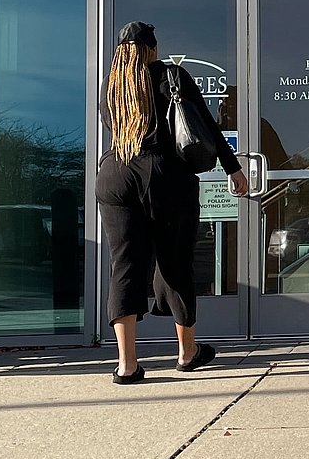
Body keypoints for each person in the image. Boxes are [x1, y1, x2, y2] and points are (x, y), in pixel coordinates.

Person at [98, 21, 248, 384]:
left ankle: (127, 365)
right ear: (151, 47)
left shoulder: (111, 86)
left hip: (115, 174)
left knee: (125, 266)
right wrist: (233, 168)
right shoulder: (171, 76)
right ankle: (187, 352)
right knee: (175, 261)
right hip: (165, 175)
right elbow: (205, 127)